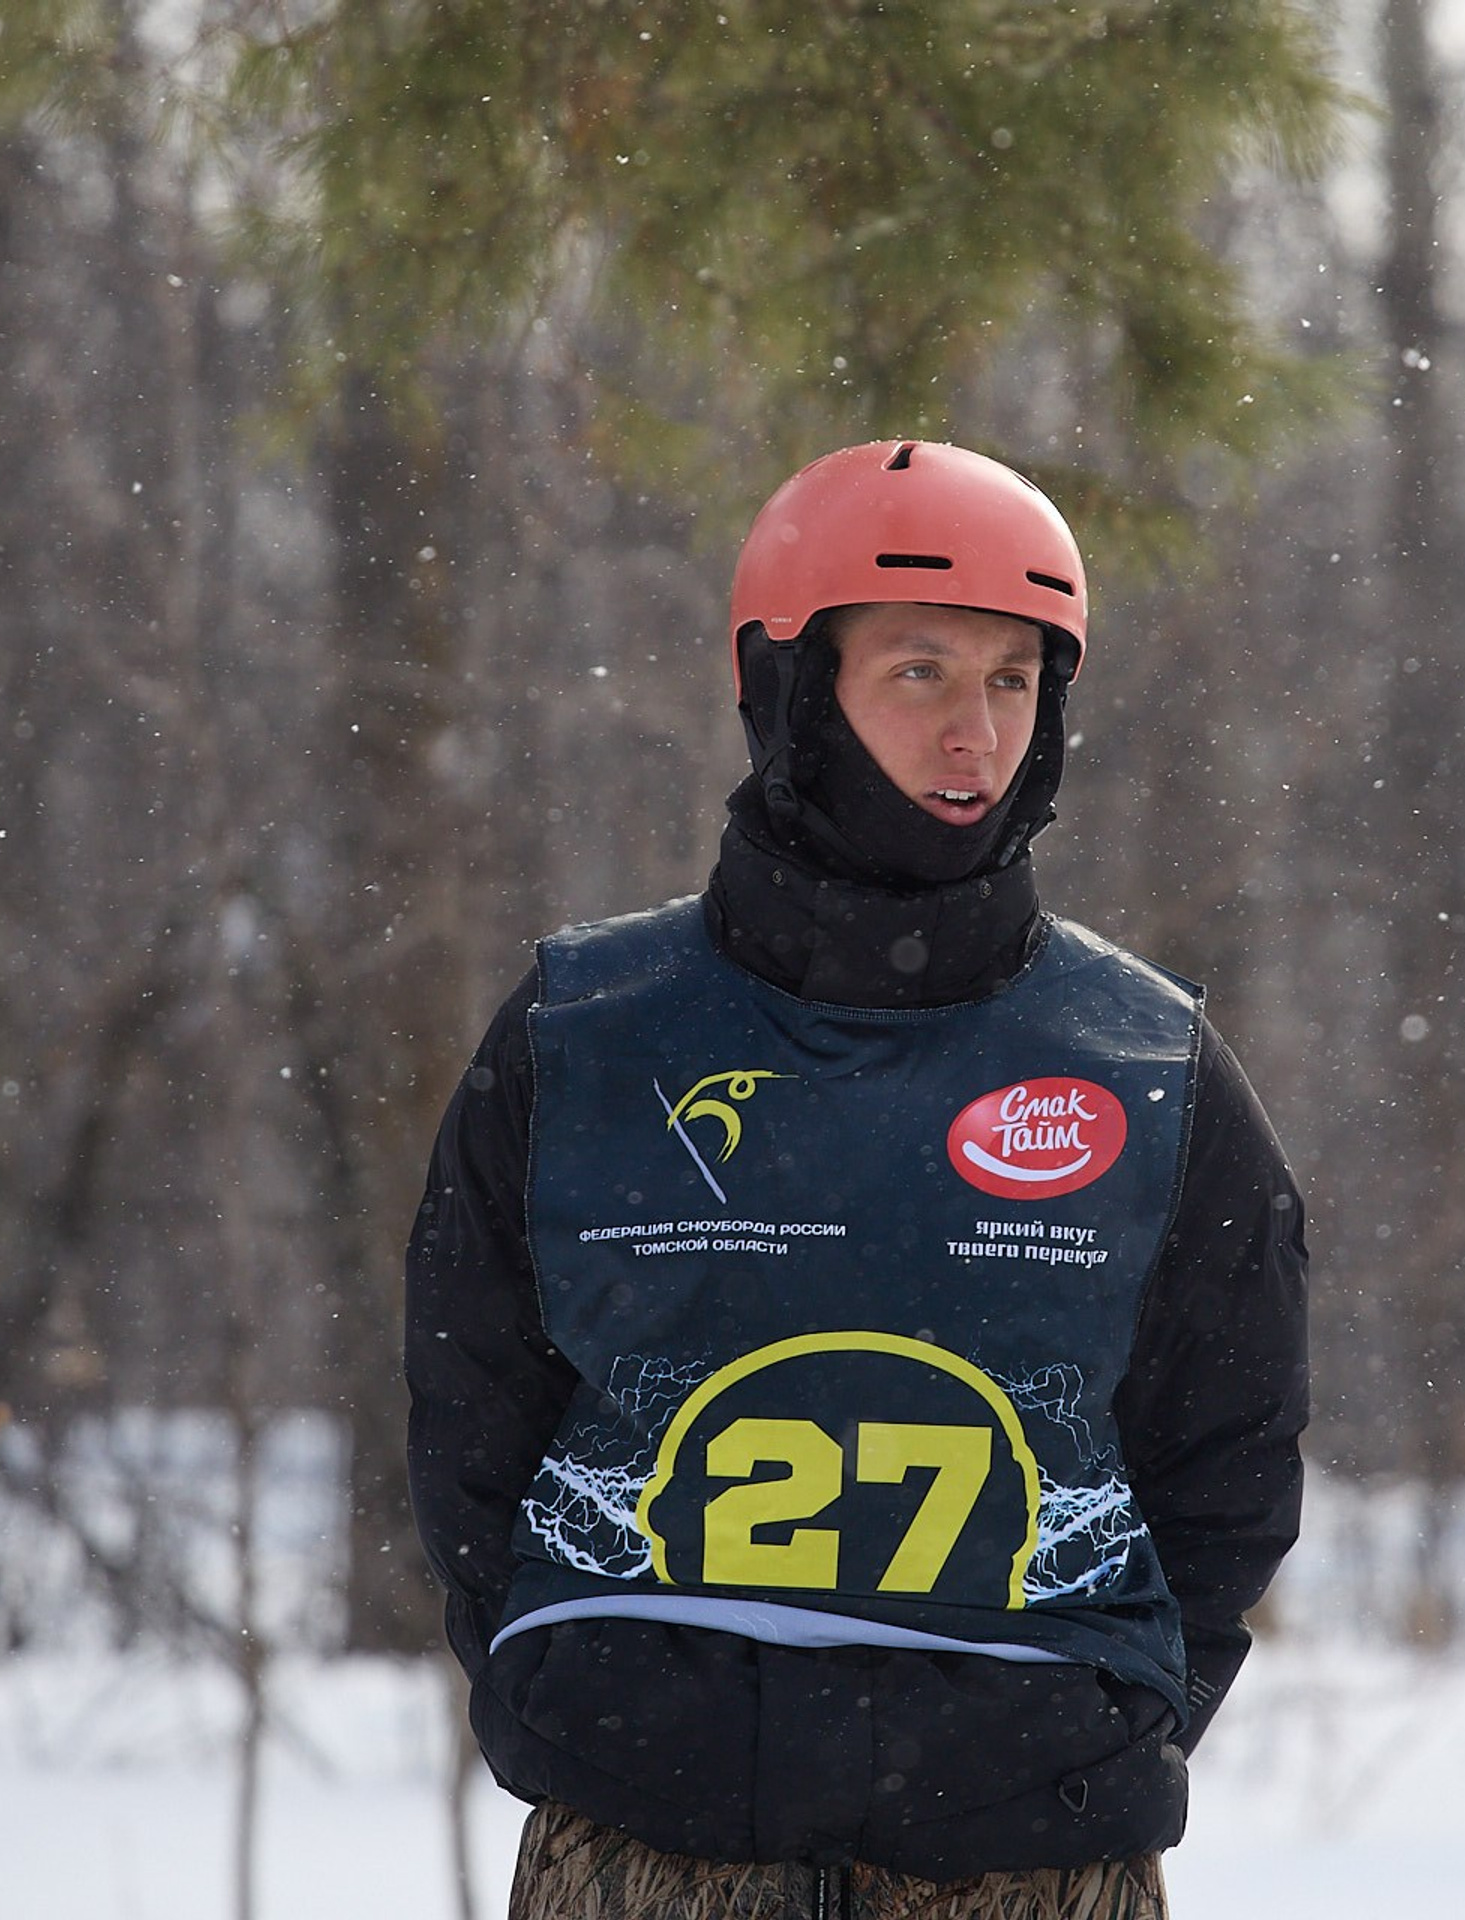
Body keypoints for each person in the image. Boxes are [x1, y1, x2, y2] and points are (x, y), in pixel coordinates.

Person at [405, 439, 1310, 1920]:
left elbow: (1231, 1450)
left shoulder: (1145, 1058)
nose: (977, 732)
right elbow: (470, 1406)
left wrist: (1092, 1729)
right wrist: (573, 1696)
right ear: (788, 688)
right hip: (642, 1841)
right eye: (920, 671)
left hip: (1034, 1854)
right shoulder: (586, 1032)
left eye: (1015, 678)